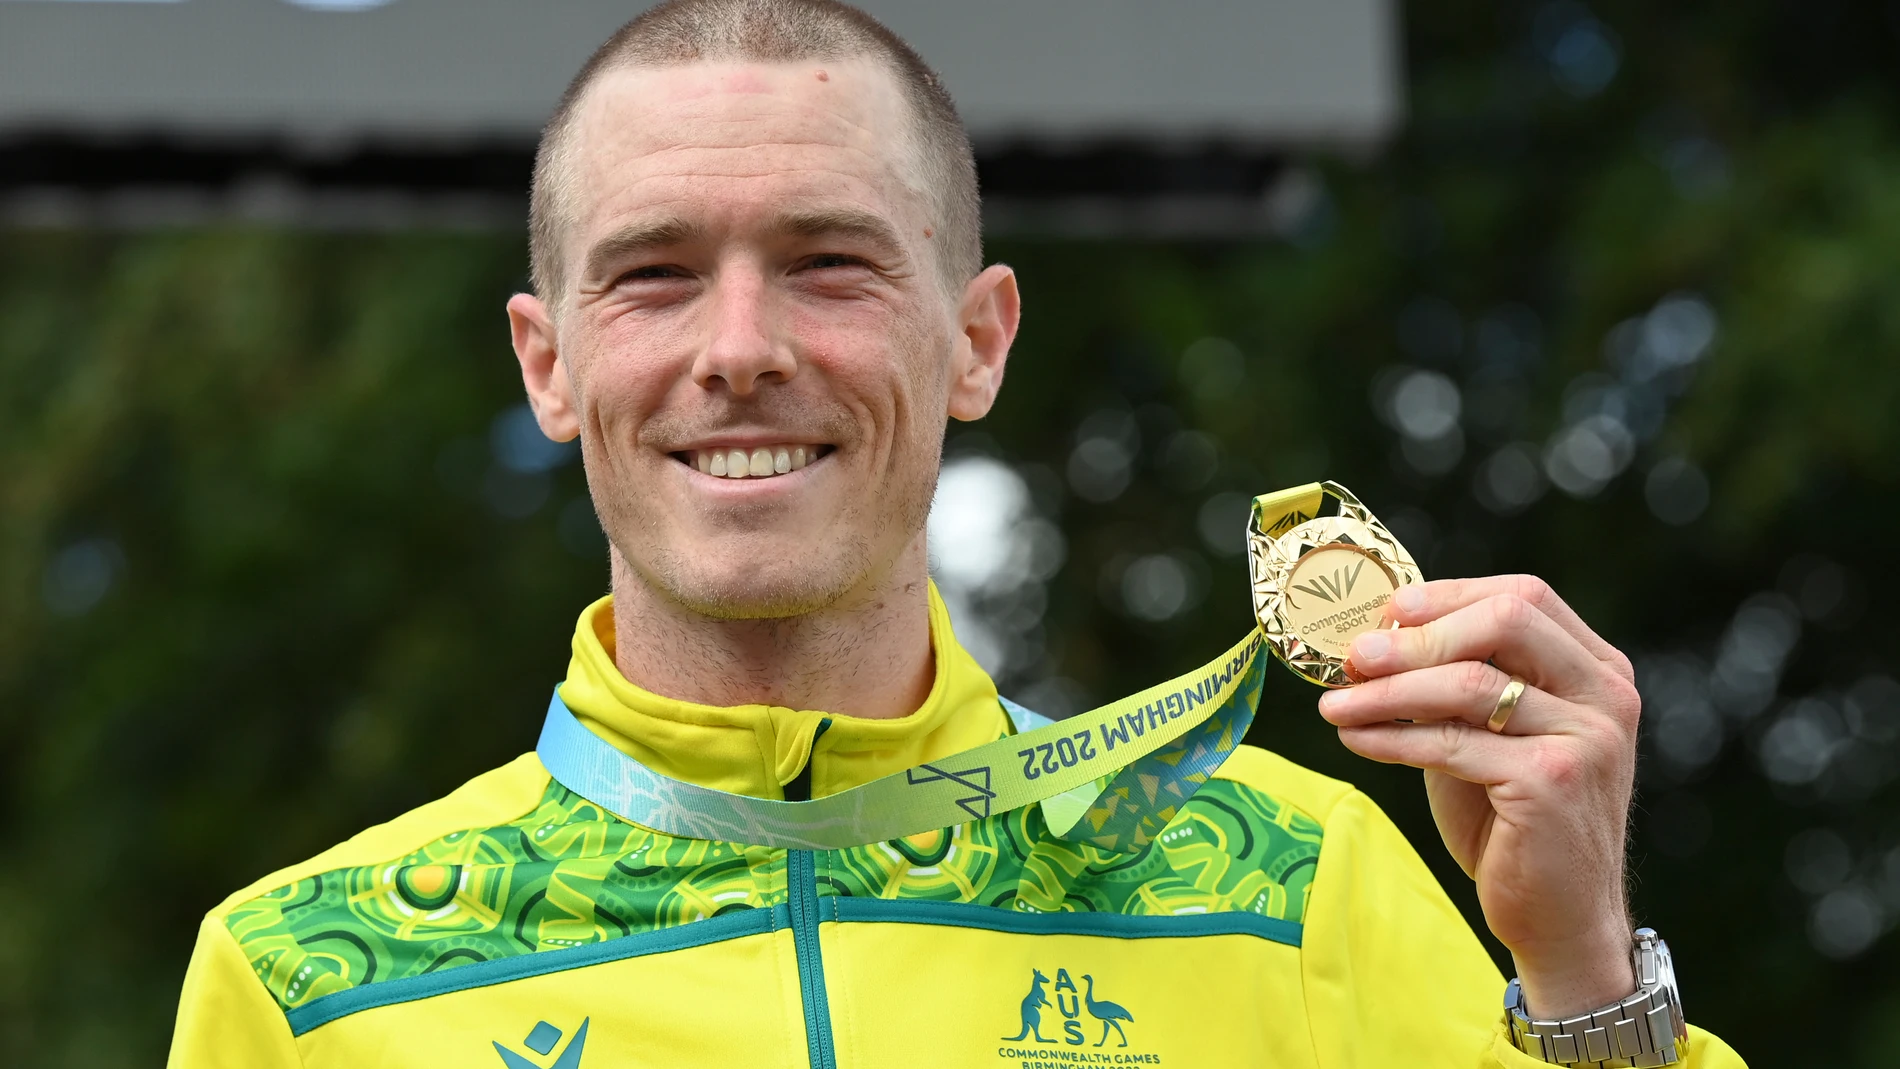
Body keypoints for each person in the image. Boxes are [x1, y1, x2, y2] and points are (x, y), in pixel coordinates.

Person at [167, 2, 1746, 1066]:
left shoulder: (1294, 886)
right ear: (549, 363)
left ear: (978, 341)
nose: (740, 349)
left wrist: (1591, 985)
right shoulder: (306, 984)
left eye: (830, 263)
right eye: (653, 273)